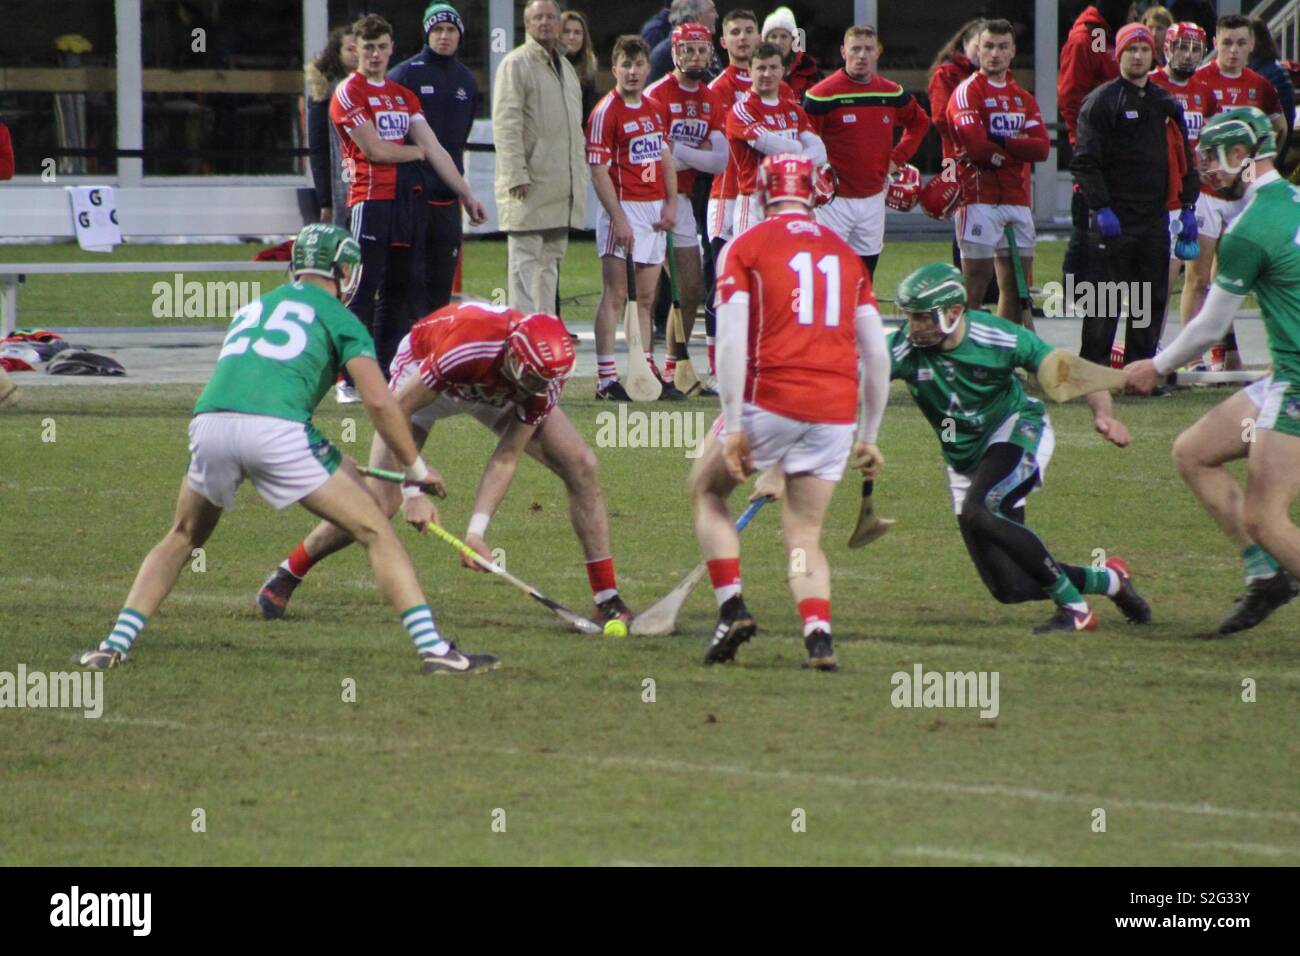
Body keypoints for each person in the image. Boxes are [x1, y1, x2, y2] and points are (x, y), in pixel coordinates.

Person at [74, 224, 499, 676]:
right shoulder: (341, 319)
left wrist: (327, 460)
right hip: (276, 431)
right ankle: (434, 650)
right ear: (342, 271)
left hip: (210, 420)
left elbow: (259, 385)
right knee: (375, 527)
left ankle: (111, 645)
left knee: (182, 535)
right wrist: (414, 469)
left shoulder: (254, 307)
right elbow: (379, 401)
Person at [257, 301, 637, 629]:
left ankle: (607, 598)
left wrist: (476, 533)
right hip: (425, 381)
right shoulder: (469, 345)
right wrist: (412, 488)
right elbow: (397, 409)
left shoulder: (543, 380)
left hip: (491, 388)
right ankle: (288, 573)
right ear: (515, 358)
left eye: (545, 382)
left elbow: (506, 457)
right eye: (534, 379)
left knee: (582, 464)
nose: (540, 389)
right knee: (378, 504)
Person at [693, 153, 889, 670]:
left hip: (769, 400)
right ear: (813, 193)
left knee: (708, 492)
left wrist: (734, 426)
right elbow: (877, 354)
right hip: (835, 412)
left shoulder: (746, 245)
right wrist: (868, 434)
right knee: (803, 534)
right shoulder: (847, 255)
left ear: (761, 194)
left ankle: (731, 606)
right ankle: (819, 637)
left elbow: (731, 341)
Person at [889, 262, 1145, 634]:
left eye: (922, 317)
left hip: (1017, 429)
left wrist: (1104, 415)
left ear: (954, 312)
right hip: (963, 457)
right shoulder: (902, 348)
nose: (913, 326)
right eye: (909, 316)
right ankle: (1111, 580)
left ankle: (1075, 610)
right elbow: (853, 371)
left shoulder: (998, 337)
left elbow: (1071, 370)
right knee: (1010, 586)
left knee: (982, 509)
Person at [1126, 108, 1300, 636]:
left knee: (1263, 516)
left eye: (1214, 157)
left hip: (1295, 380)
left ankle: (1272, 558)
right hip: (1283, 376)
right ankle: (1267, 574)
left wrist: (1154, 366)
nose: (1207, 170)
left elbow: (1210, 327)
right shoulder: (1292, 200)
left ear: (1244, 156)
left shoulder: (1248, 229)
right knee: (1193, 452)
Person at [330, 14, 487, 401]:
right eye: (368, 48)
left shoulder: (402, 96)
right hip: (370, 199)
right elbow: (375, 149)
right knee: (361, 291)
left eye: (382, 47)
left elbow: (437, 149)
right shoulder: (349, 92)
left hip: (405, 202)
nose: (376, 55)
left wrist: (466, 193)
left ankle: (383, 373)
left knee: (398, 291)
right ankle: (348, 379)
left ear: (391, 48)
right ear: (356, 50)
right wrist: (416, 151)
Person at [1072, 22, 1199, 368]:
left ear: (1152, 54)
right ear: (1118, 54)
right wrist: (1101, 208)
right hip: (1114, 218)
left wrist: (1188, 206)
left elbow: (1183, 155)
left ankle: (1140, 372)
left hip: (1153, 217)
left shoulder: (1164, 102)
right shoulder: (1101, 102)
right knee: (1104, 300)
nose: (1138, 56)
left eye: (1144, 49)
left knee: (1150, 299)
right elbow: (1084, 161)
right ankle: (1093, 372)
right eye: (1131, 50)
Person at [1184, 14, 1286, 372]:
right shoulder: (1198, 81)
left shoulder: (1261, 86)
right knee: (1197, 276)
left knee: (1237, 275)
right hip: (1207, 193)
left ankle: (1230, 353)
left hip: (1245, 193)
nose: (1233, 50)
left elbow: (1278, 127)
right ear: (1216, 42)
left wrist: (1265, 166)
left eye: (1241, 43)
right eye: (1227, 42)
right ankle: (1193, 356)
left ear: (1252, 45)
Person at [588, 35, 680, 401]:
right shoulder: (604, 112)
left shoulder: (655, 108)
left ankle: (645, 371)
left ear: (647, 68)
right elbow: (598, 170)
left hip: (654, 211)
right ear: (614, 70)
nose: (632, 71)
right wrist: (618, 218)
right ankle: (606, 378)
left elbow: (664, 158)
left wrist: (671, 203)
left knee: (646, 298)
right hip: (622, 211)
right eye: (625, 65)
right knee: (615, 295)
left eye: (638, 64)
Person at [805, 24, 930, 278]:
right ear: (843, 52)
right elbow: (803, 140)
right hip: (832, 202)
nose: (861, 55)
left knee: (865, 275)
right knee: (828, 274)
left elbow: (920, 123)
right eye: (856, 49)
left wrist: (897, 159)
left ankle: (857, 319)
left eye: (868, 49)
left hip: (874, 198)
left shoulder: (891, 92)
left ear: (878, 53)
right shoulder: (821, 95)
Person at [947, 19, 1049, 325]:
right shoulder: (967, 92)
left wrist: (1000, 142)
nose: (995, 53)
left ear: (1013, 51)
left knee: (1016, 287)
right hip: (978, 198)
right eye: (988, 46)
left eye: (1002, 47)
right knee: (975, 288)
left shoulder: (1024, 98)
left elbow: (1042, 149)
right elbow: (977, 148)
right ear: (977, 49)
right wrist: (1017, 147)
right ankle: (968, 356)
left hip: (1017, 199)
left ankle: (1002, 354)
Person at [492, 0, 588, 315]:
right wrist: (516, 173)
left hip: (560, 186)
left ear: (559, 22)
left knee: (549, 267)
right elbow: (506, 124)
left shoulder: (567, 68)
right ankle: (521, 339)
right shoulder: (515, 63)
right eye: (537, 17)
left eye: (550, 17)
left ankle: (544, 335)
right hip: (529, 183)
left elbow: (573, 131)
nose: (545, 22)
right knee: (523, 265)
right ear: (527, 23)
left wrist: (578, 180)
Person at [647, 23, 728, 387]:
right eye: (688, 49)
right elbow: (658, 157)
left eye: (701, 49)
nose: (695, 56)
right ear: (675, 52)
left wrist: (678, 153)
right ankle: (642, 365)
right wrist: (694, 155)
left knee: (691, 287)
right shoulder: (657, 94)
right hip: (645, 197)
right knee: (645, 288)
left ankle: (674, 366)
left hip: (679, 199)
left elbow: (721, 160)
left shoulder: (711, 99)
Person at [388, 3, 479, 315]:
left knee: (441, 287)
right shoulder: (403, 75)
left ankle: (434, 356)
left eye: (451, 30)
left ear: (460, 35)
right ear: (426, 33)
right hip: (411, 196)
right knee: (407, 286)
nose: (444, 36)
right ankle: (402, 355)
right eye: (437, 29)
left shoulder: (467, 80)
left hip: (447, 197)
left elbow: (457, 140)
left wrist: (462, 191)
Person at [1058, 1, 1129, 323]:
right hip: (1093, 145)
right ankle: (1074, 292)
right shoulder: (1088, 39)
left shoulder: (1108, 35)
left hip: (1116, 148)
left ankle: (1090, 292)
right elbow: (1071, 95)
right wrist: (1081, 142)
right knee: (1086, 216)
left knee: (1100, 217)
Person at [1149, 21, 1213, 337]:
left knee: (1196, 276)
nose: (1188, 56)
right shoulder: (1149, 84)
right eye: (1180, 47)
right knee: (1160, 278)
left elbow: (1212, 135)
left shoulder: (1204, 89)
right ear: (1166, 48)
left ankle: (1193, 351)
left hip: (1193, 194)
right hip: (1156, 194)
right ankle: (1148, 346)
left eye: (1195, 49)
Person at [725, 42, 824, 238]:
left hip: (792, 200)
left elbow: (821, 152)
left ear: (783, 70)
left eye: (773, 67)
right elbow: (771, 145)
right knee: (751, 266)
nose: (767, 74)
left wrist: (791, 151)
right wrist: (799, 151)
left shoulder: (794, 110)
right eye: (761, 68)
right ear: (749, 70)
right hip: (754, 203)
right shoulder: (742, 110)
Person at [306, 25, 357, 227]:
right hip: (341, 179)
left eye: (358, 48)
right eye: (349, 49)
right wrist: (325, 201)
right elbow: (318, 148)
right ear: (337, 53)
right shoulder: (324, 92)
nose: (356, 54)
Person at [1249, 18, 1294, 168]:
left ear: (1258, 40)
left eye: (1245, 39)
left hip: (1267, 155)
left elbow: (1283, 124)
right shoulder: (1256, 69)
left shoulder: (1272, 73)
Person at [649, 0, 719, 84]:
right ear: (695, 17)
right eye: (711, 11)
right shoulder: (663, 54)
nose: (716, 16)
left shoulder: (708, 47)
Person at [762, 6, 820, 99]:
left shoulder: (807, 66)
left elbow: (814, 105)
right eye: (773, 36)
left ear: (793, 40)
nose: (778, 42)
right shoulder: (756, 66)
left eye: (784, 36)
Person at [562, 10, 600, 129]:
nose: (572, 37)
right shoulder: (547, 65)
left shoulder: (589, 68)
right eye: (566, 32)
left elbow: (589, 112)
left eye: (577, 32)